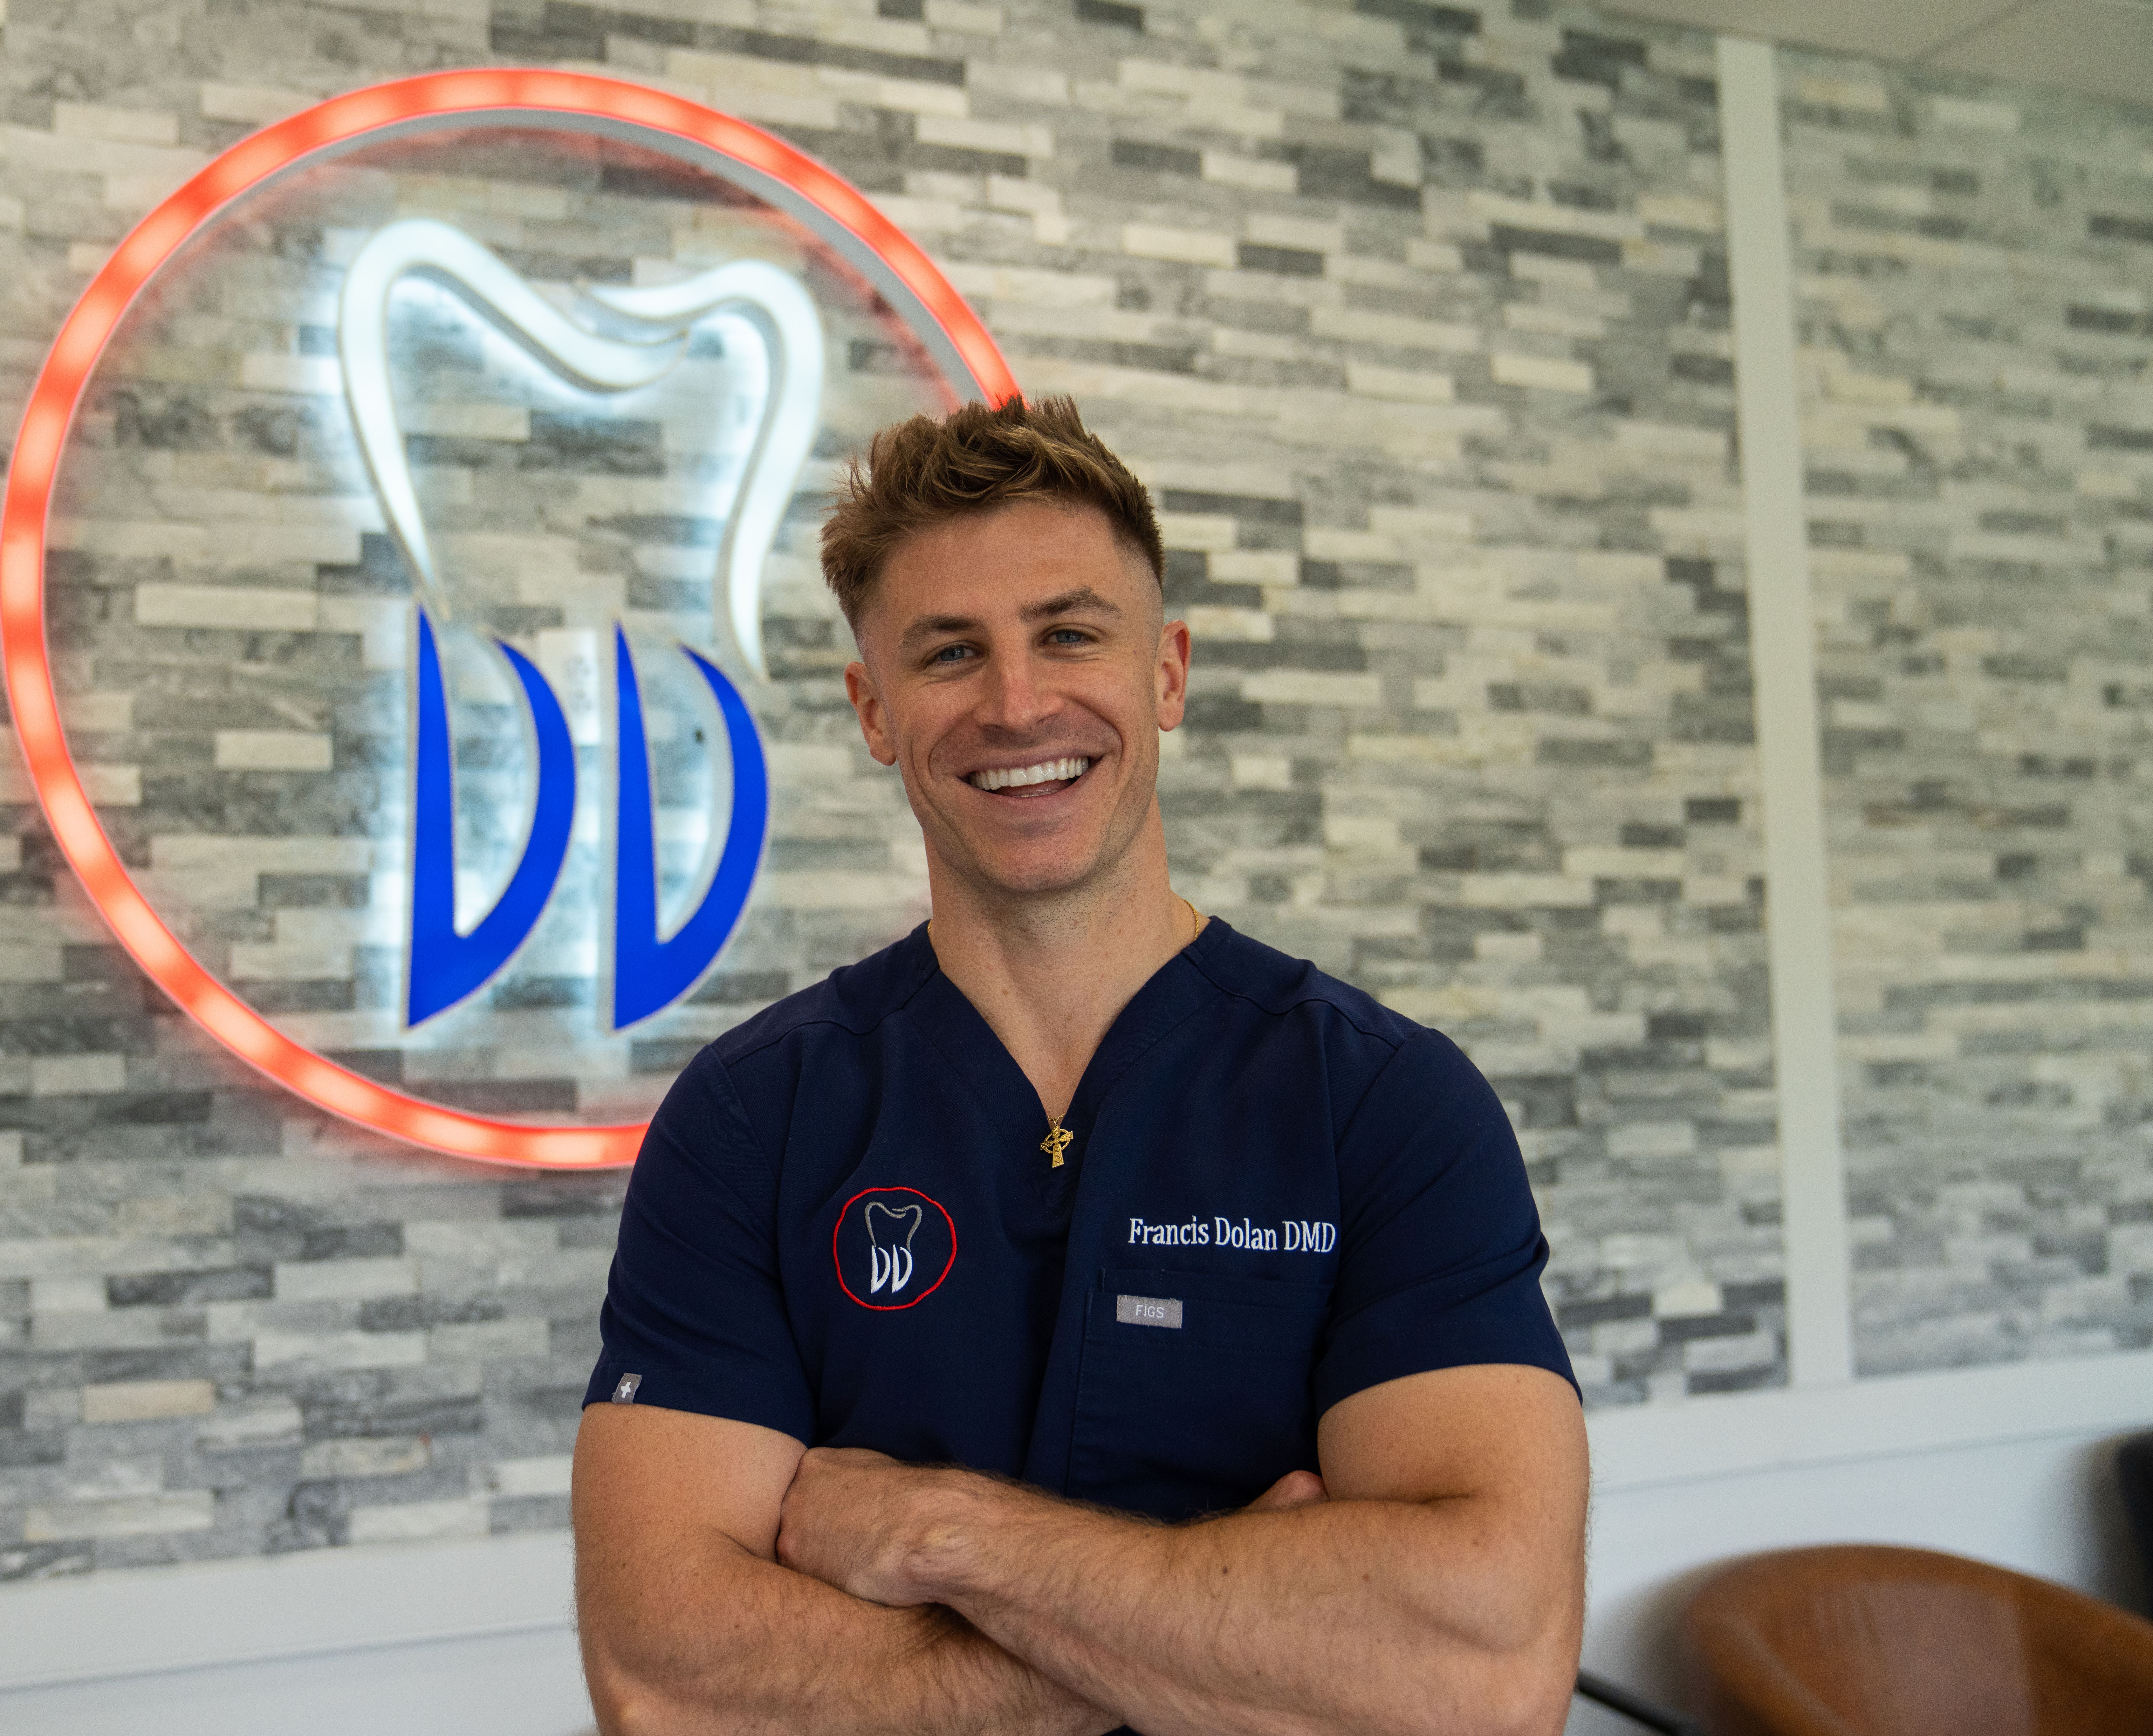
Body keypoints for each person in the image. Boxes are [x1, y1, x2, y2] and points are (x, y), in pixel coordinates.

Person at [570, 396, 1588, 1736]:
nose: (1016, 702)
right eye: (947, 654)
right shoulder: (751, 1118)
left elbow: (1481, 1668)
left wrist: (944, 1537)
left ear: (1163, 673)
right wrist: (1237, 1620)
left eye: (1067, 633)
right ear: (872, 709)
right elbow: (665, 1682)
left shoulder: (1380, 1102)